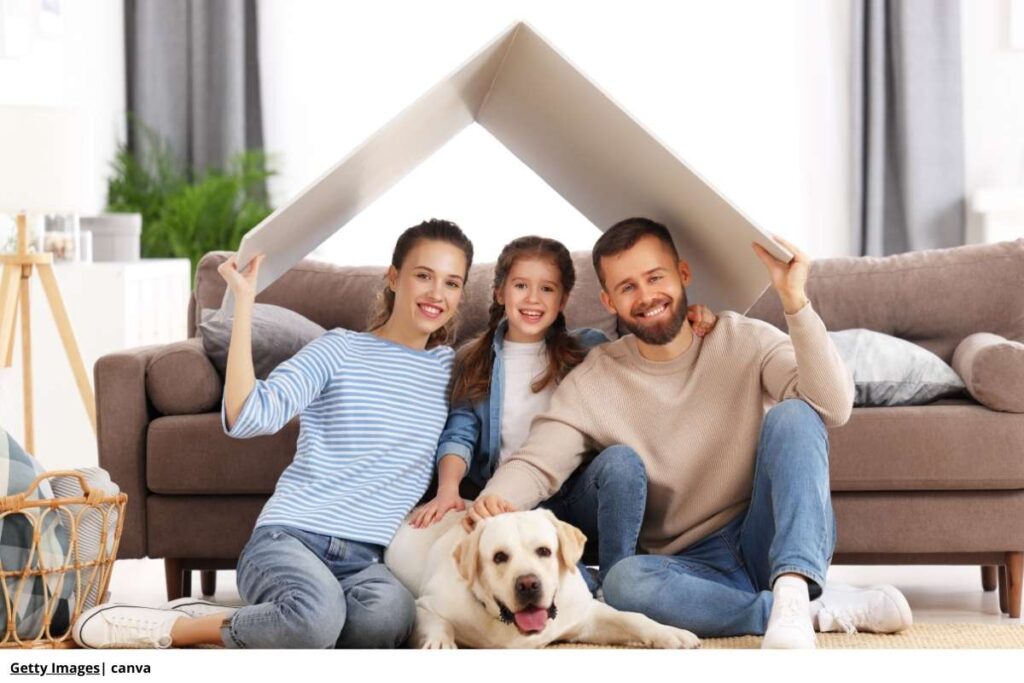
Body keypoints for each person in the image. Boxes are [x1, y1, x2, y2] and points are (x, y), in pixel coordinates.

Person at [466, 217, 913, 649]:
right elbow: (538, 462)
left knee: (795, 414)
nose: (646, 296)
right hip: (686, 566)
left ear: (683, 275)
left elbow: (832, 407)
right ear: (609, 302)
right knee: (624, 582)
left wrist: (795, 301)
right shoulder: (595, 379)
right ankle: (804, 611)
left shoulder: (745, 339)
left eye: (655, 277)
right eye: (627, 287)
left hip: (762, 534)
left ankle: (795, 588)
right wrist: (484, 508)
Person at [73, 219, 475, 649]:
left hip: (368, 559)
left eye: (451, 283)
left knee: (386, 623)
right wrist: (243, 305)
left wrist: (450, 485)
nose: (436, 294)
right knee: (314, 622)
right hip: (290, 537)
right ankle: (177, 628)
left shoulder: (450, 371)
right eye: (423, 276)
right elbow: (250, 415)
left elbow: (462, 433)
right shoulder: (338, 349)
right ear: (394, 277)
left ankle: (270, 619)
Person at [409, 236, 716, 590]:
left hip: (578, 493)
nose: (533, 299)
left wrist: (690, 317)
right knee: (570, 590)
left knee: (621, 460)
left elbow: (648, 344)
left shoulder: (589, 348)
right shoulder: (472, 358)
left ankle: (621, 579)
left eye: (547, 289)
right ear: (499, 293)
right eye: (521, 285)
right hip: (515, 503)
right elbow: (459, 434)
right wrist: (448, 489)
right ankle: (586, 582)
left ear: (564, 299)